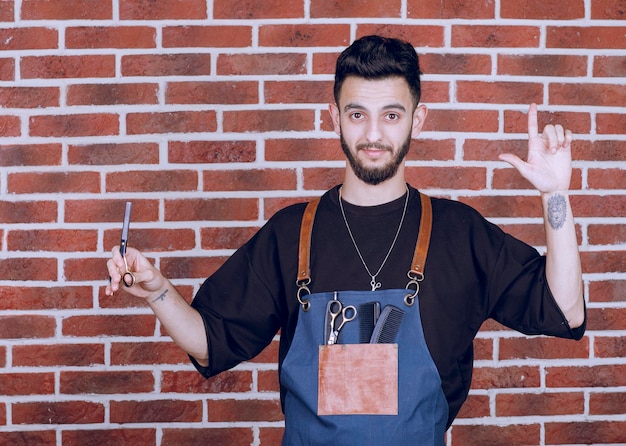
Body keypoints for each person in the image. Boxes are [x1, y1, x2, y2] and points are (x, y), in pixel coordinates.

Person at [106, 35, 585, 445]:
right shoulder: (290, 233)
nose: (373, 134)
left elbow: (565, 311)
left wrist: (554, 196)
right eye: (357, 114)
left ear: (418, 121)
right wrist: (158, 293)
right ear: (333, 117)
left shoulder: (460, 233)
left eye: (392, 115)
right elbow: (211, 342)